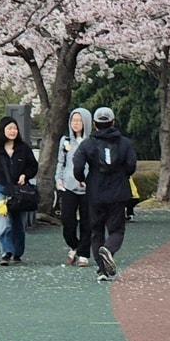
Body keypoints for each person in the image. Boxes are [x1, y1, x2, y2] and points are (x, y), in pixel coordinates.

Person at [72, 106, 136, 284]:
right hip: (118, 191)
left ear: (95, 124)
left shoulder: (88, 144)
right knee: (117, 229)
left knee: (96, 230)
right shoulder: (125, 143)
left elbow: (77, 165)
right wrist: (123, 174)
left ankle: (102, 269)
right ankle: (109, 249)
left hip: (95, 191)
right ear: (113, 122)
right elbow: (131, 165)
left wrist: (82, 179)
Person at [0, 116, 39, 266]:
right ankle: (6, 252)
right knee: (3, 223)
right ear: (2, 130)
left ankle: (17, 252)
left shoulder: (23, 148)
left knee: (18, 224)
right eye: (9, 128)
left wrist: (25, 175)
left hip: (19, 192)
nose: (12, 131)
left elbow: (33, 166)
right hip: (1, 190)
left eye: (14, 128)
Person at [55, 107, 92, 266]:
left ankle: (84, 254)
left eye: (79, 121)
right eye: (73, 120)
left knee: (87, 221)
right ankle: (75, 245)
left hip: (88, 187)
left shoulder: (91, 142)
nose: (75, 124)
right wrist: (58, 179)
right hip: (68, 186)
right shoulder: (65, 141)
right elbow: (61, 162)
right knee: (67, 220)